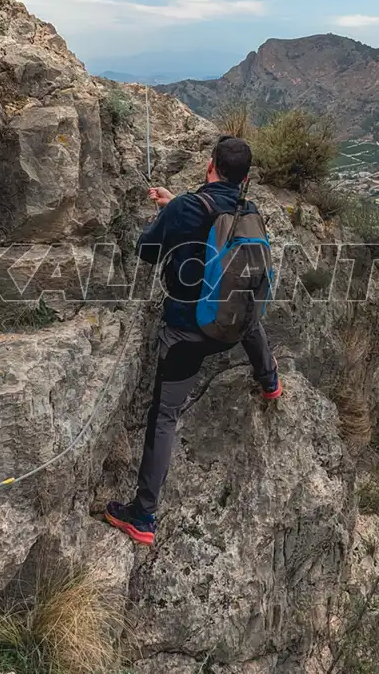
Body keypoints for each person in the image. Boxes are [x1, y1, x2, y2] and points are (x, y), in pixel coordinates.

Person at [104, 135, 281, 546]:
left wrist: (169, 215)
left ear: (209, 166)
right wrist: (175, 207)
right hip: (233, 328)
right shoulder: (249, 210)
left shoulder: (189, 206)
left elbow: (146, 250)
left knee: (164, 416)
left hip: (189, 336)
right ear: (246, 178)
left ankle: (143, 516)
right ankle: (270, 381)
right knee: (249, 315)